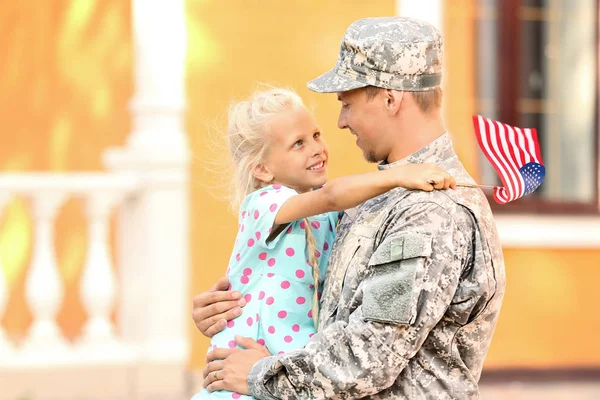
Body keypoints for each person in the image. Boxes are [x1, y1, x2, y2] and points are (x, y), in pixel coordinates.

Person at [193, 17, 506, 399]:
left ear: (391, 99)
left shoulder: (430, 211)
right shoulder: (387, 196)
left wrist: (261, 374)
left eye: (347, 103)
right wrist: (240, 305)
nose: (341, 122)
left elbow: (367, 356)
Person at [192, 87, 455, 400]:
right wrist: (401, 175)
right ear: (262, 169)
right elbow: (332, 196)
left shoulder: (325, 216)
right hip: (242, 368)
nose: (316, 148)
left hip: (282, 369)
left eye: (316, 135)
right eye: (298, 144)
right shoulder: (262, 204)